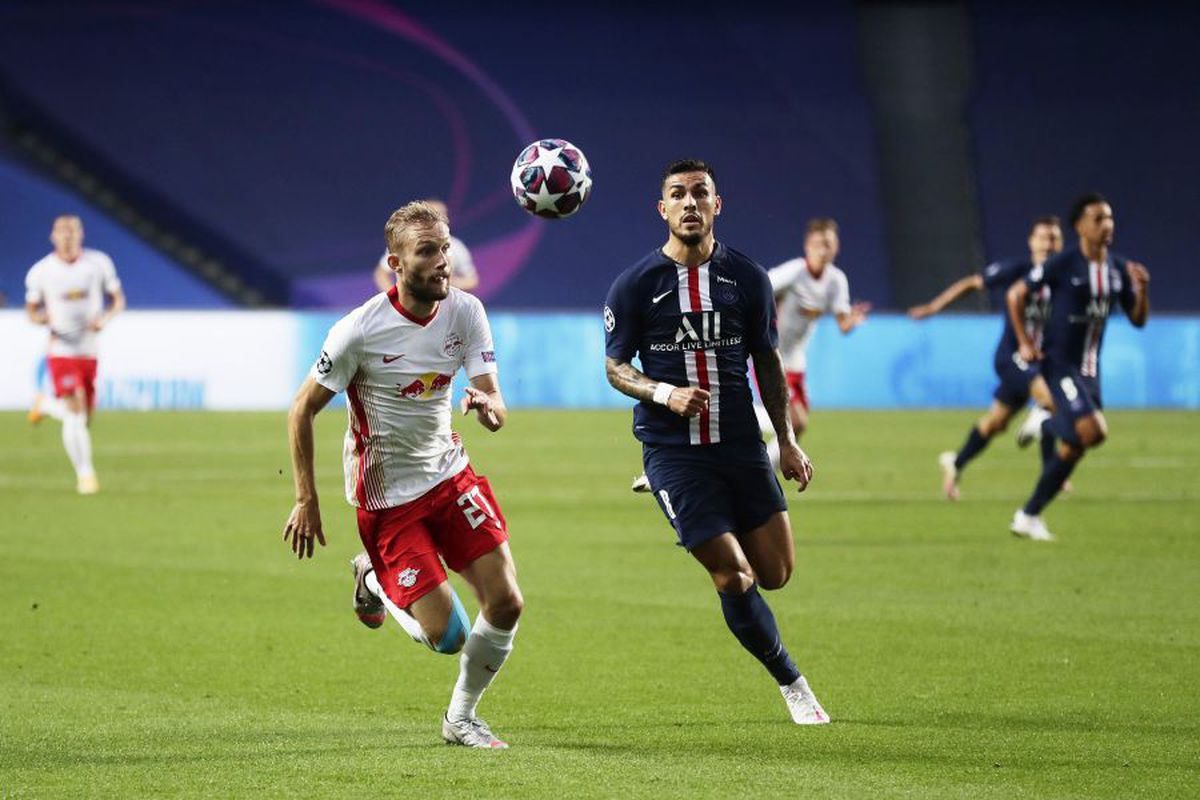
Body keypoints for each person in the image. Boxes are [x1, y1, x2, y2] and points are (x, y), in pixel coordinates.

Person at [284, 201, 523, 748]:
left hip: (449, 473)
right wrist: (307, 499)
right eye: (429, 251)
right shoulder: (359, 331)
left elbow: (495, 400)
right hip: (388, 496)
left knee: (507, 602)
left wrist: (489, 409)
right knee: (449, 637)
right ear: (396, 262)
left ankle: (461, 718)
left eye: (446, 247)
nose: (445, 262)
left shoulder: (466, 312)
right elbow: (301, 409)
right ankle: (371, 577)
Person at [604, 159, 829, 725]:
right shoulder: (636, 285)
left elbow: (768, 363)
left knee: (776, 574)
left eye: (699, 194)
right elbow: (614, 368)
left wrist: (787, 442)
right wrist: (662, 392)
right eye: (677, 195)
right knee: (733, 575)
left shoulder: (747, 279)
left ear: (717, 204)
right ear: (662, 209)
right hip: (674, 450)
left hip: (739, 444)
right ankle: (793, 683)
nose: (689, 204)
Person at [1006, 194, 1149, 540]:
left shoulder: (1117, 269)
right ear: (1080, 227)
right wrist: (1025, 342)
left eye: (1110, 218)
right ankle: (1046, 423)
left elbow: (1138, 320)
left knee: (1077, 445)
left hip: (1090, 370)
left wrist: (1141, 290)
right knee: (1095, 430)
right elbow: (1015, 294)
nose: (1107, 225)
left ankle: (1028, 515)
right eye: (1098, 219)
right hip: (1060, 364)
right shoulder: (1064, 263)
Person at [907, 216, 1065, 499]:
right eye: (1043, 238)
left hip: (1038, 361)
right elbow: (972, 283)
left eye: (1054, 238)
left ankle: (955, 463)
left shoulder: (1064, 279)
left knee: (996, 423)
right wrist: (934, 307)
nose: (1048, 245)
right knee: (1049, 402)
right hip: (1012, 357)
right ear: (1031, 242)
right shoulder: (1017, 271)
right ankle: (1053, 470)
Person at [24, 215, 125, 494]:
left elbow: (118, 300)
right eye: (61, 232)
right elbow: (31, 311)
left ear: (81, 234)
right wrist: (44, 319)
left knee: (84, 418)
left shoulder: (98, 264)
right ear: (53, 236)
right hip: (61, 350)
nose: (67, 237)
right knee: (75, 410)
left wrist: (105, 318)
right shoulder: (41, 271)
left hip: (89, 350)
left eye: (72, 231)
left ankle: (45, 405)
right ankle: (86, 475)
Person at [766, 218, 870, 453]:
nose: (824, 249)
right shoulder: (794, 272)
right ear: (807, 246)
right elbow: (761, 287)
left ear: (837, 247)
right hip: (773, 355)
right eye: (819, 243)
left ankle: (765, 471)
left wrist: (852, 320)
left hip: (797, 360)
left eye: (829, 244)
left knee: (798, 428)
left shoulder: (836, 281)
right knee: (796, 421)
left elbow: (843, 324)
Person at [373, 199, 478, 293]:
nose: (437, 220)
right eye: (432, 216)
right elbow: (381, 273)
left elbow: (472, 281)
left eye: (441, 216)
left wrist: (449, 282)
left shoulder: (457, 247)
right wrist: (394, 297)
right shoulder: (403, 243)